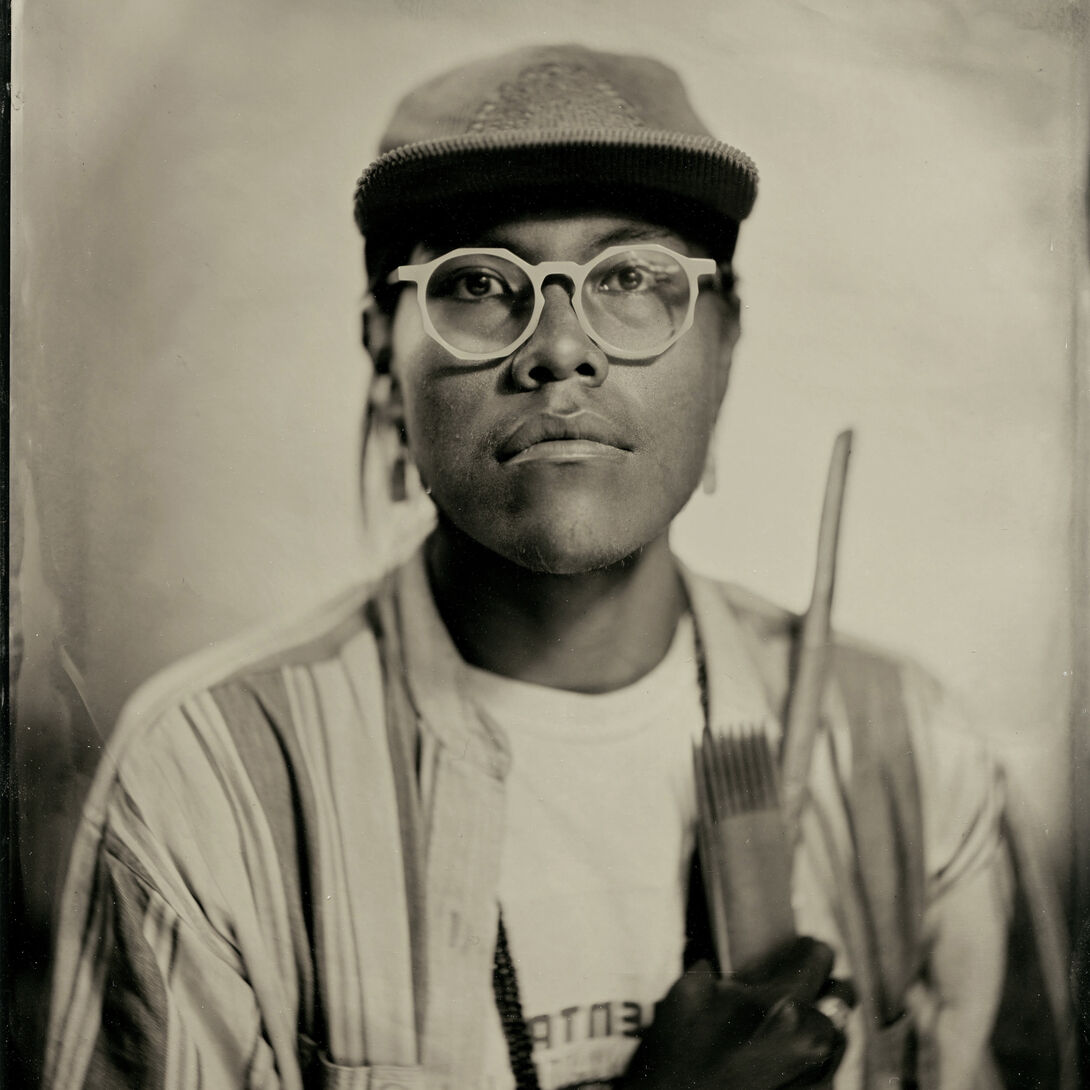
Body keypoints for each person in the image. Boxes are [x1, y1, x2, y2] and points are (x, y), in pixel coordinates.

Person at [44, 44, 1016, 1090]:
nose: (559, 346)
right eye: (477, 282)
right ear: (383, 353)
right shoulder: (209, 781)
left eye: (633, 278)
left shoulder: (912, 754)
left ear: (724, 350)